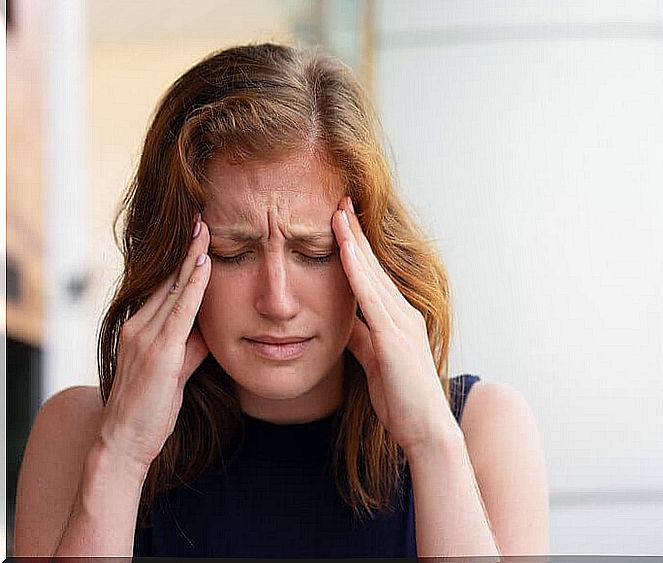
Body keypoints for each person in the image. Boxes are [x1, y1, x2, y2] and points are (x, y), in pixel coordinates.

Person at [13, 42, 550, 557]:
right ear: (172, 256)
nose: (277, 301)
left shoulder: (483, 429)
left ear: (371, 258)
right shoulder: (79, 433)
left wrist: (433, 444)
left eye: (314, 252)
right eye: (233, 252)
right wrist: (122, 454)